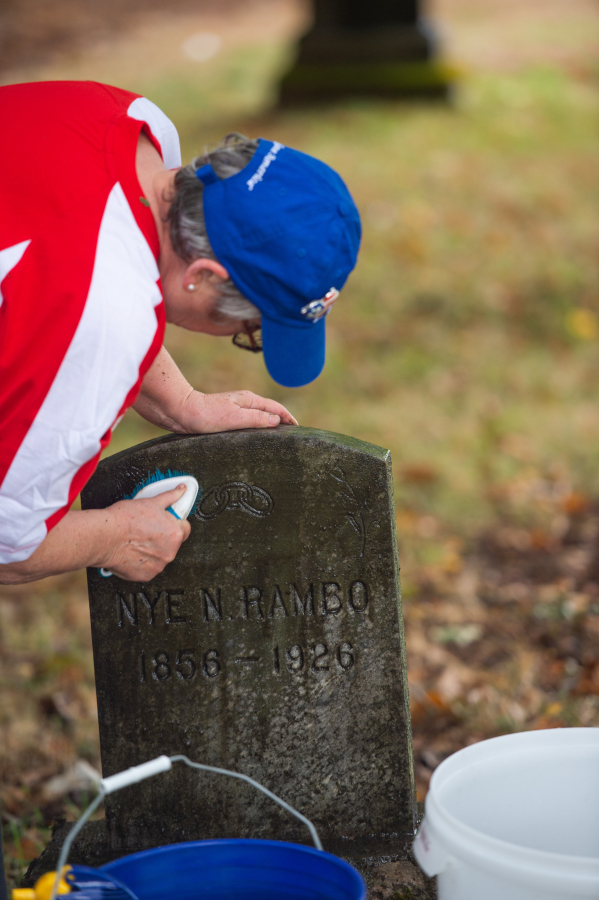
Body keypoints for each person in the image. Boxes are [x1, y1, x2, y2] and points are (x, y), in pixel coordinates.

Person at [0, 81, 361, 588]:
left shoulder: (130, 119)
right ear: (203, 276)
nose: (242, 334)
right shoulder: (103, 317)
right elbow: (6, 539)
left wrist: (182, 402)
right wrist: (117, 536)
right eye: (249, 328)